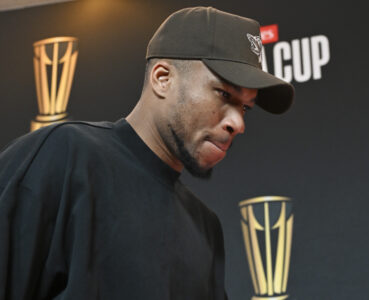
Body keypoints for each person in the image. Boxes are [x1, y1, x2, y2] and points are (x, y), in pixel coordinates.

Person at [0, 6, 294, 300]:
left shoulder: (206, 228)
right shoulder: (65, 156)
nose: (238, 123)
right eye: (224, 94)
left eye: (245, 107)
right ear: (163, 78)